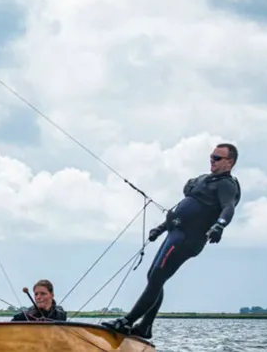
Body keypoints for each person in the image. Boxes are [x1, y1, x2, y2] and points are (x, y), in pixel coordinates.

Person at [101, 143, 241, 339]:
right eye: (211, 156)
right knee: (154, 277)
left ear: (230, 162)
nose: (212, 160)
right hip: (174, 233)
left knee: (157, 277)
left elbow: (228, 207)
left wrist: (219, 226)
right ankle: (145, 327)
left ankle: (127, 321)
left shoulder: (227, 185)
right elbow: (183, 211)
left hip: (187, 239)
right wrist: (160, 229)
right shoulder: (204, 179)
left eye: (217, 158)